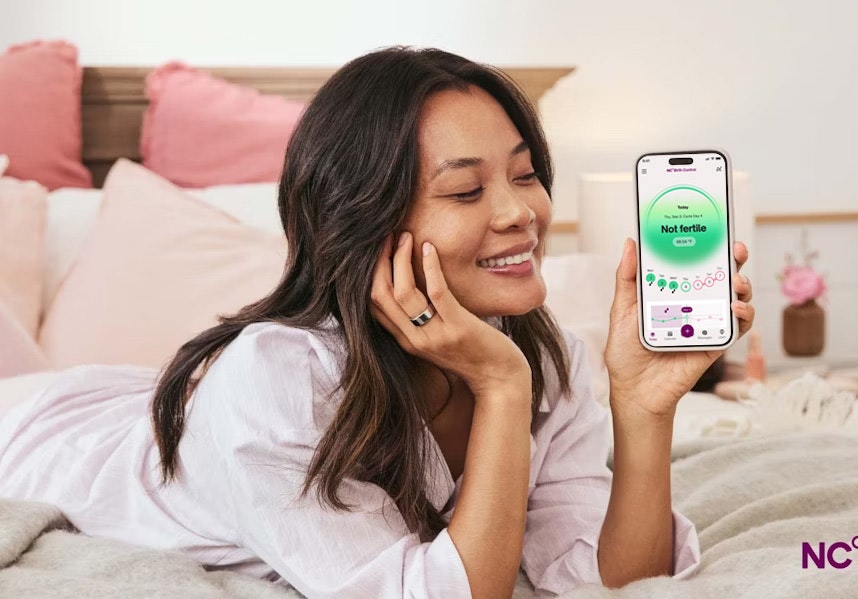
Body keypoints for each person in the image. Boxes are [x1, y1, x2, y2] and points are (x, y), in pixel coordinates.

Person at [0, 47, 755, 598]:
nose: (519, 213)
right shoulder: (278, 379)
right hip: (40, 432)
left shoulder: (537, 352)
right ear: (367, 223)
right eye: (465, 192)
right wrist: (498, 386)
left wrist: (643, 409)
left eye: (525, 174)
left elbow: (614, 575)